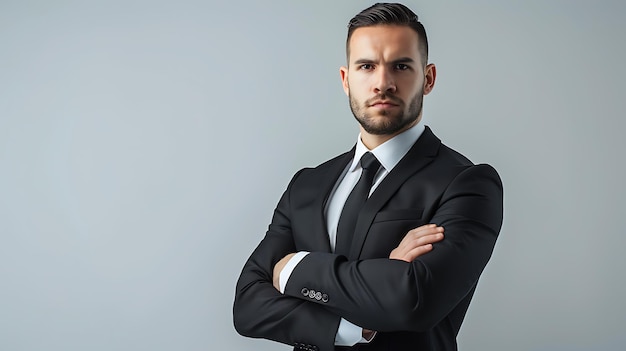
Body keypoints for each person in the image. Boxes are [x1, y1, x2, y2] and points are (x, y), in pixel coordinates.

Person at [233, 3, 503, 351]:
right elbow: (248, 307)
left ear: (428, 78)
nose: (382, 83)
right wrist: (363, 312)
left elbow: (413, 302)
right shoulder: (307, 185)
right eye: (367, 66)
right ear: (346, 80)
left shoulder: (468, 184)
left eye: (401, 66)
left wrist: (293, 269)